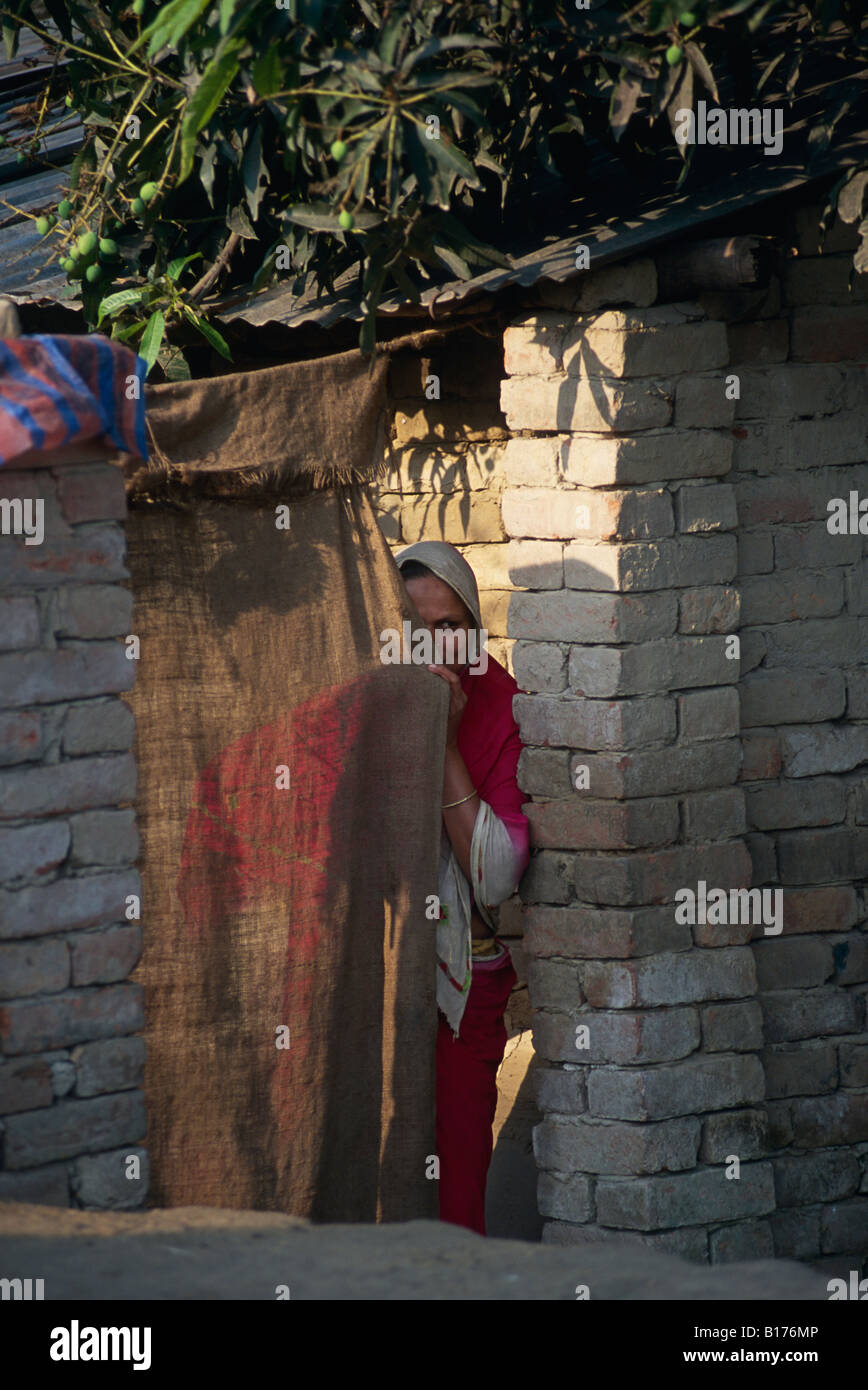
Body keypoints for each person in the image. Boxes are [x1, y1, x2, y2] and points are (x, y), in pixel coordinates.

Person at [395, 540, 530, 1236]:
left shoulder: (500, 705)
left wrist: (444, 744)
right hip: (379, 983)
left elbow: (497, 876)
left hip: (463, 988)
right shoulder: (366, 700)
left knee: (457, 1199)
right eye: (416, 630)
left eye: (450, 627)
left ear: (473, 630)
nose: (435, 647)